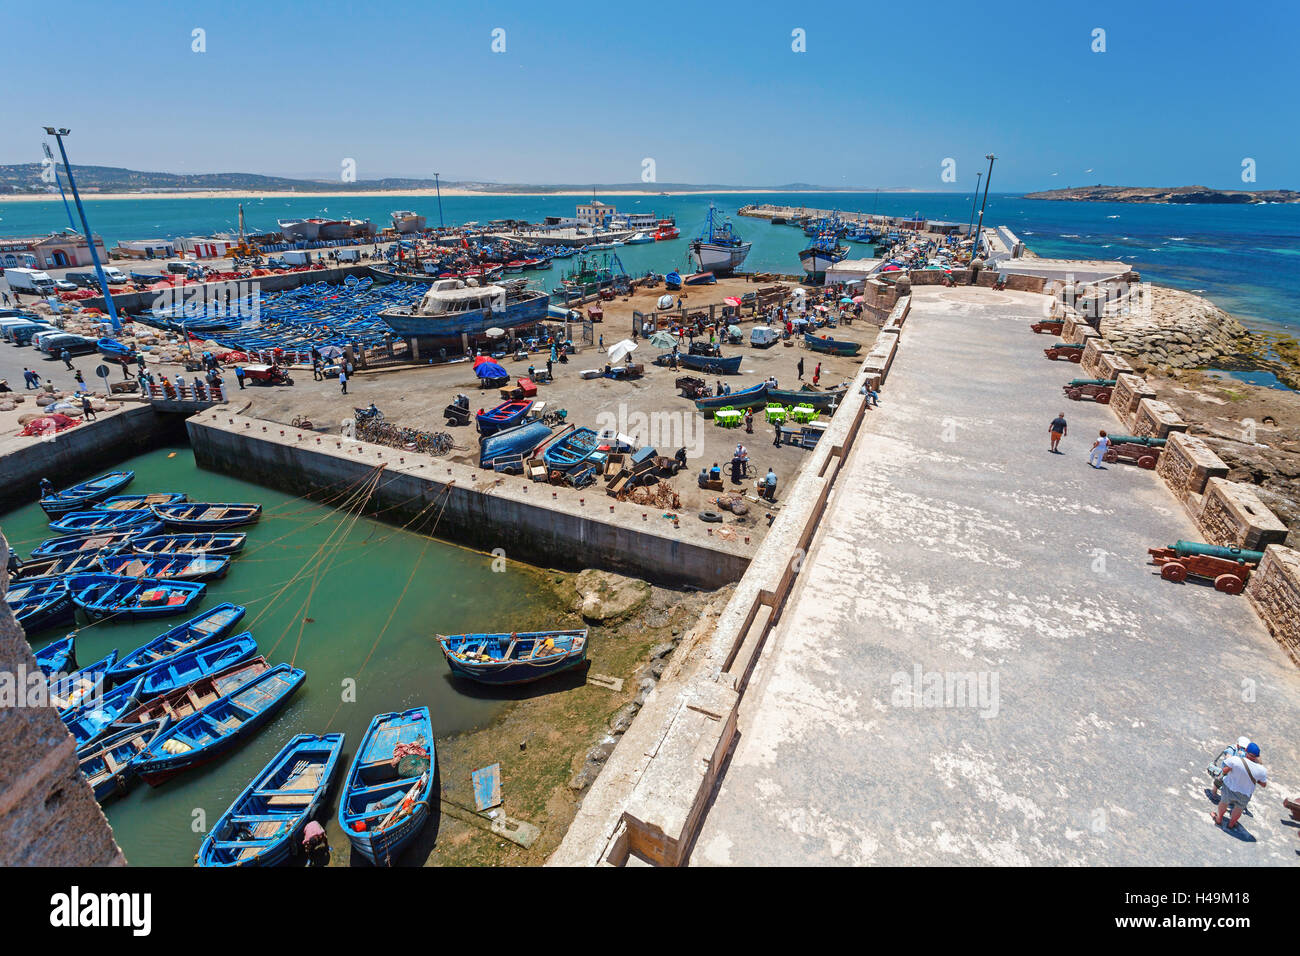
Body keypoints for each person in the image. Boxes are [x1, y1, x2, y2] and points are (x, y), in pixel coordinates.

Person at [1212, 742, 1267, 830]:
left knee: (1223, 803)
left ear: (1246, 750)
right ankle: (1231, 824)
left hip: (1229, 787)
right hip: (1245, 793)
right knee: (1239, 809)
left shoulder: (1236, 760)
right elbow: (1263, 784)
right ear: (1257, 756)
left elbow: (1225, 770)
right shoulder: (1262, 770)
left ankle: (1218, 819)